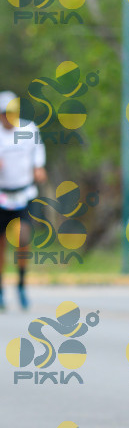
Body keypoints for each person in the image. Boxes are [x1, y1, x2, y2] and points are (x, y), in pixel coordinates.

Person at [0, 91, 47, 310]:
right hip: (2, 194)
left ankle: (21, 283)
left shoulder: (29, 130)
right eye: (4, 113)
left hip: (24, 193)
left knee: (22, 237)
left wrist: (38, 168)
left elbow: (38, 154)